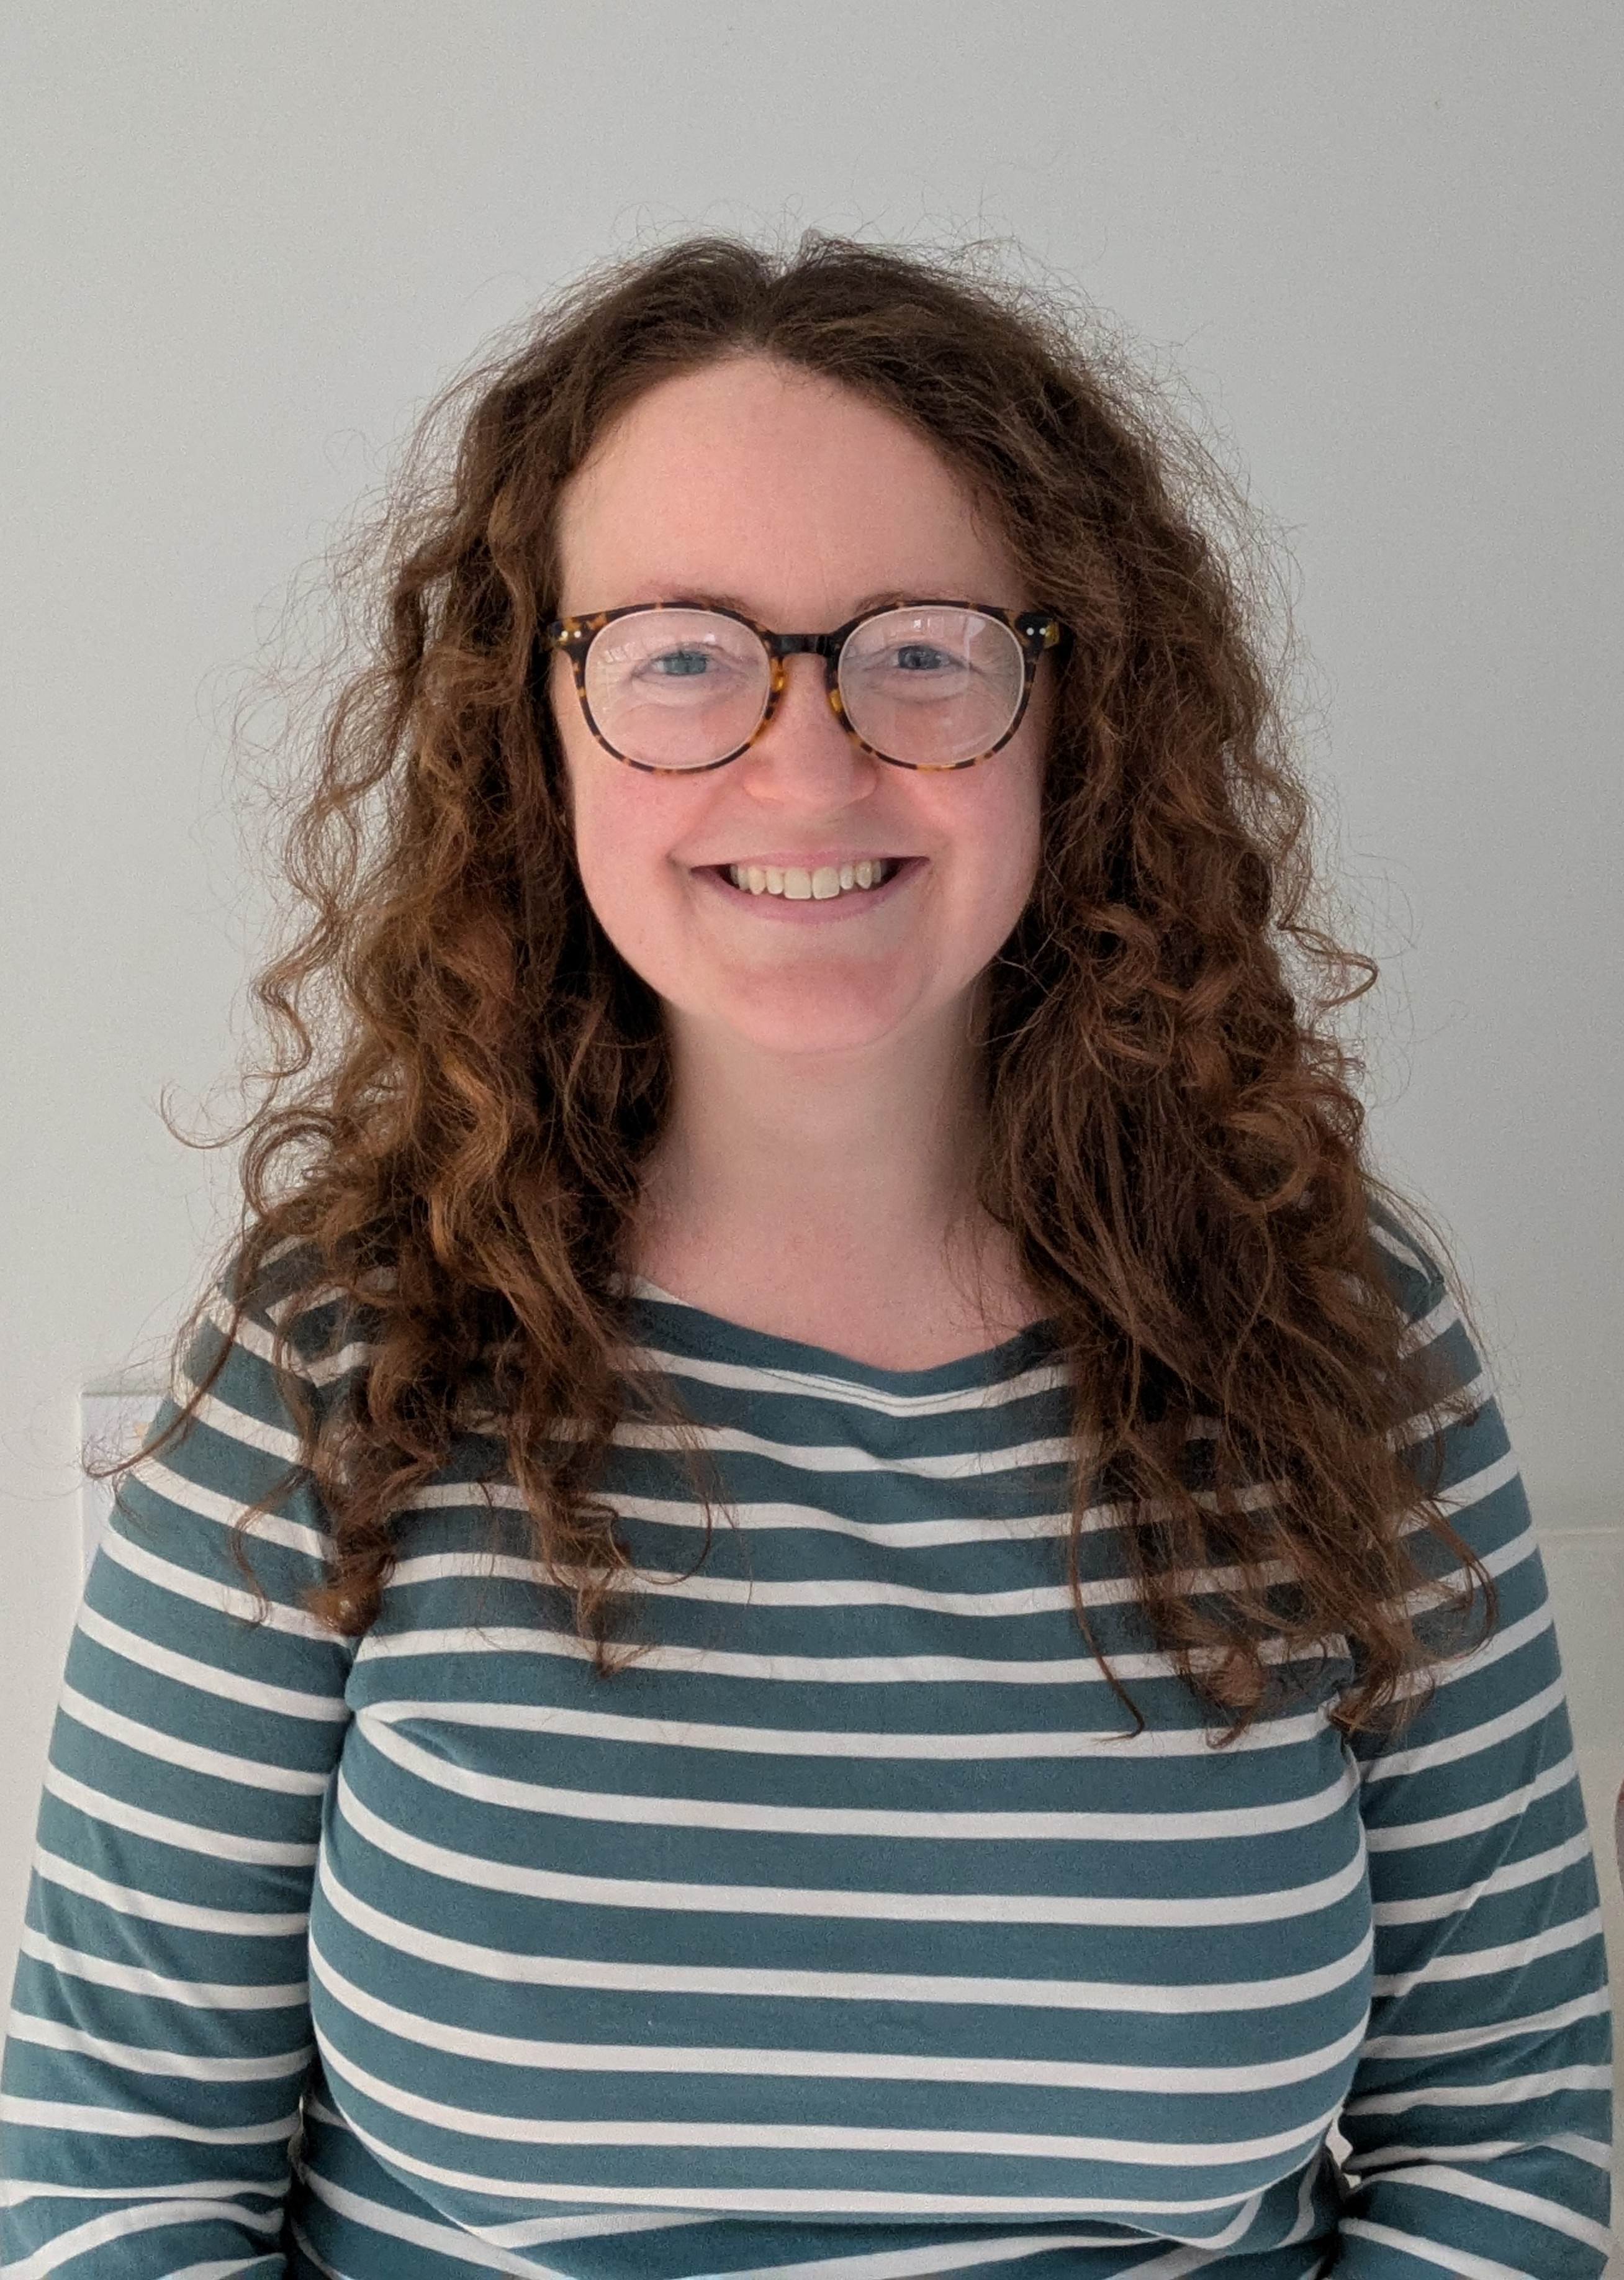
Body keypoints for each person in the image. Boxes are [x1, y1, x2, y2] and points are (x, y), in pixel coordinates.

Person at [0, 235, 1612, 2278]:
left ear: (1075, 711)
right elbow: (113, 2168)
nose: (811, 759)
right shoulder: (337, 1347)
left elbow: (1509, 2125)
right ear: (539, 723)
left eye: (921, 647)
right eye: (680, 651)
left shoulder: (1332, 1324)